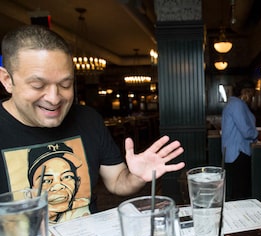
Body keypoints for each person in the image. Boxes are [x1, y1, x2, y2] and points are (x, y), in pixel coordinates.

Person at [0, 25, 185, 223]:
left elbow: (116, 182)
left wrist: (136, 177)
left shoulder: (88, 119)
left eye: (65, 85)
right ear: (7, 80)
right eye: (38, 85)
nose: (54, 98)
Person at [221, 79, 258, 200]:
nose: (252, 97)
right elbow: (246, 131)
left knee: (237, 190)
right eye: (251, 94)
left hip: (233, 152)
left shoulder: (233, 103)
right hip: (238, 152)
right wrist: (257, 133)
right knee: (240, 192)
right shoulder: (237, 104)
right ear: (246, 92)